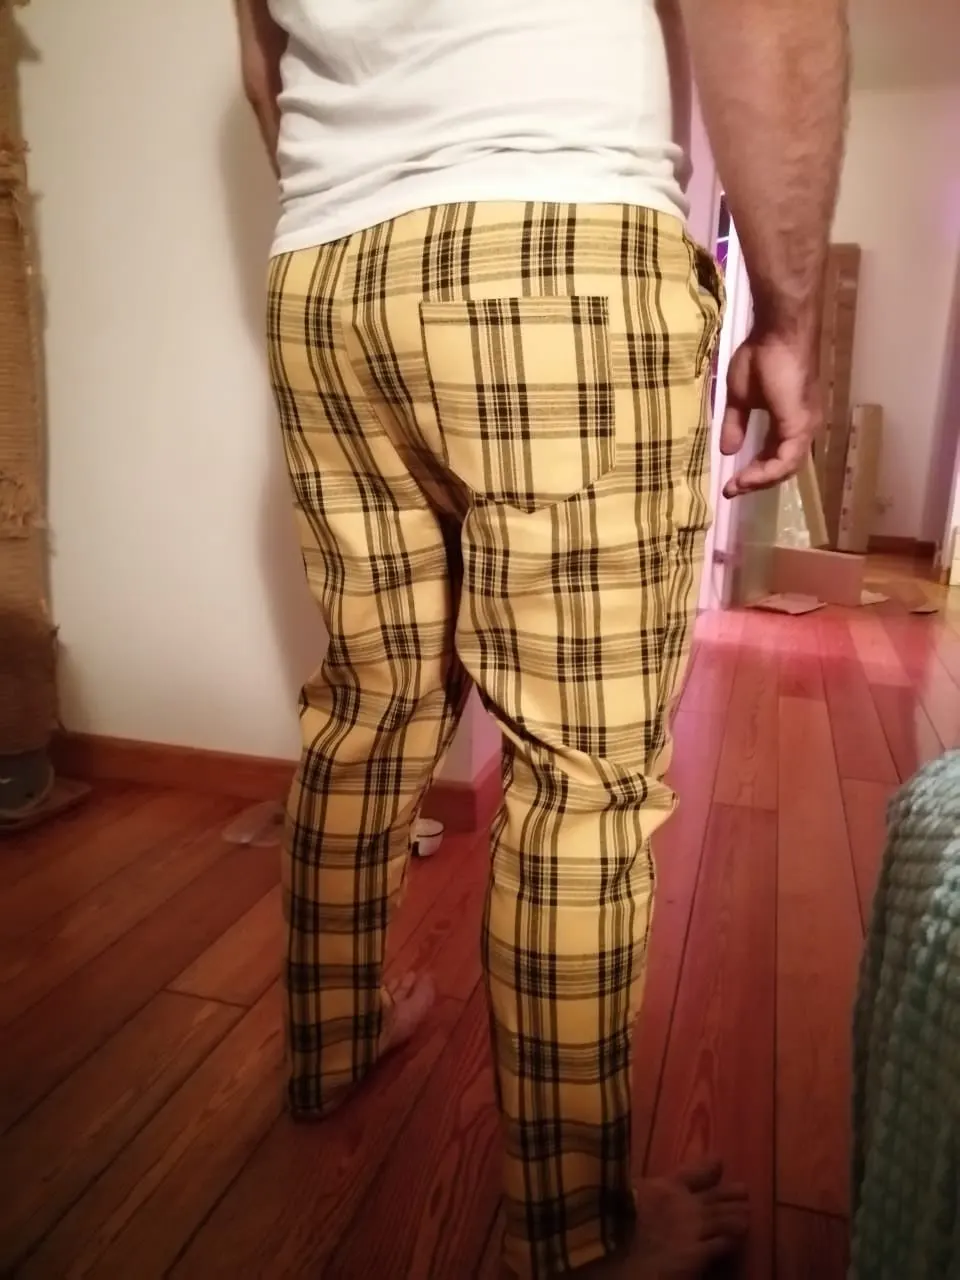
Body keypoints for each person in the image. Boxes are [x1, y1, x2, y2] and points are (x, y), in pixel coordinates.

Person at [233, 2, 849, 1276]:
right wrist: (789, 316)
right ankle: (576, 1245)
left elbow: (263, 63)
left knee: (370, 704)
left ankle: (330, 1042)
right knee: (581, 778)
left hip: (326, 275)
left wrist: (357, 205)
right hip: (556, 233)